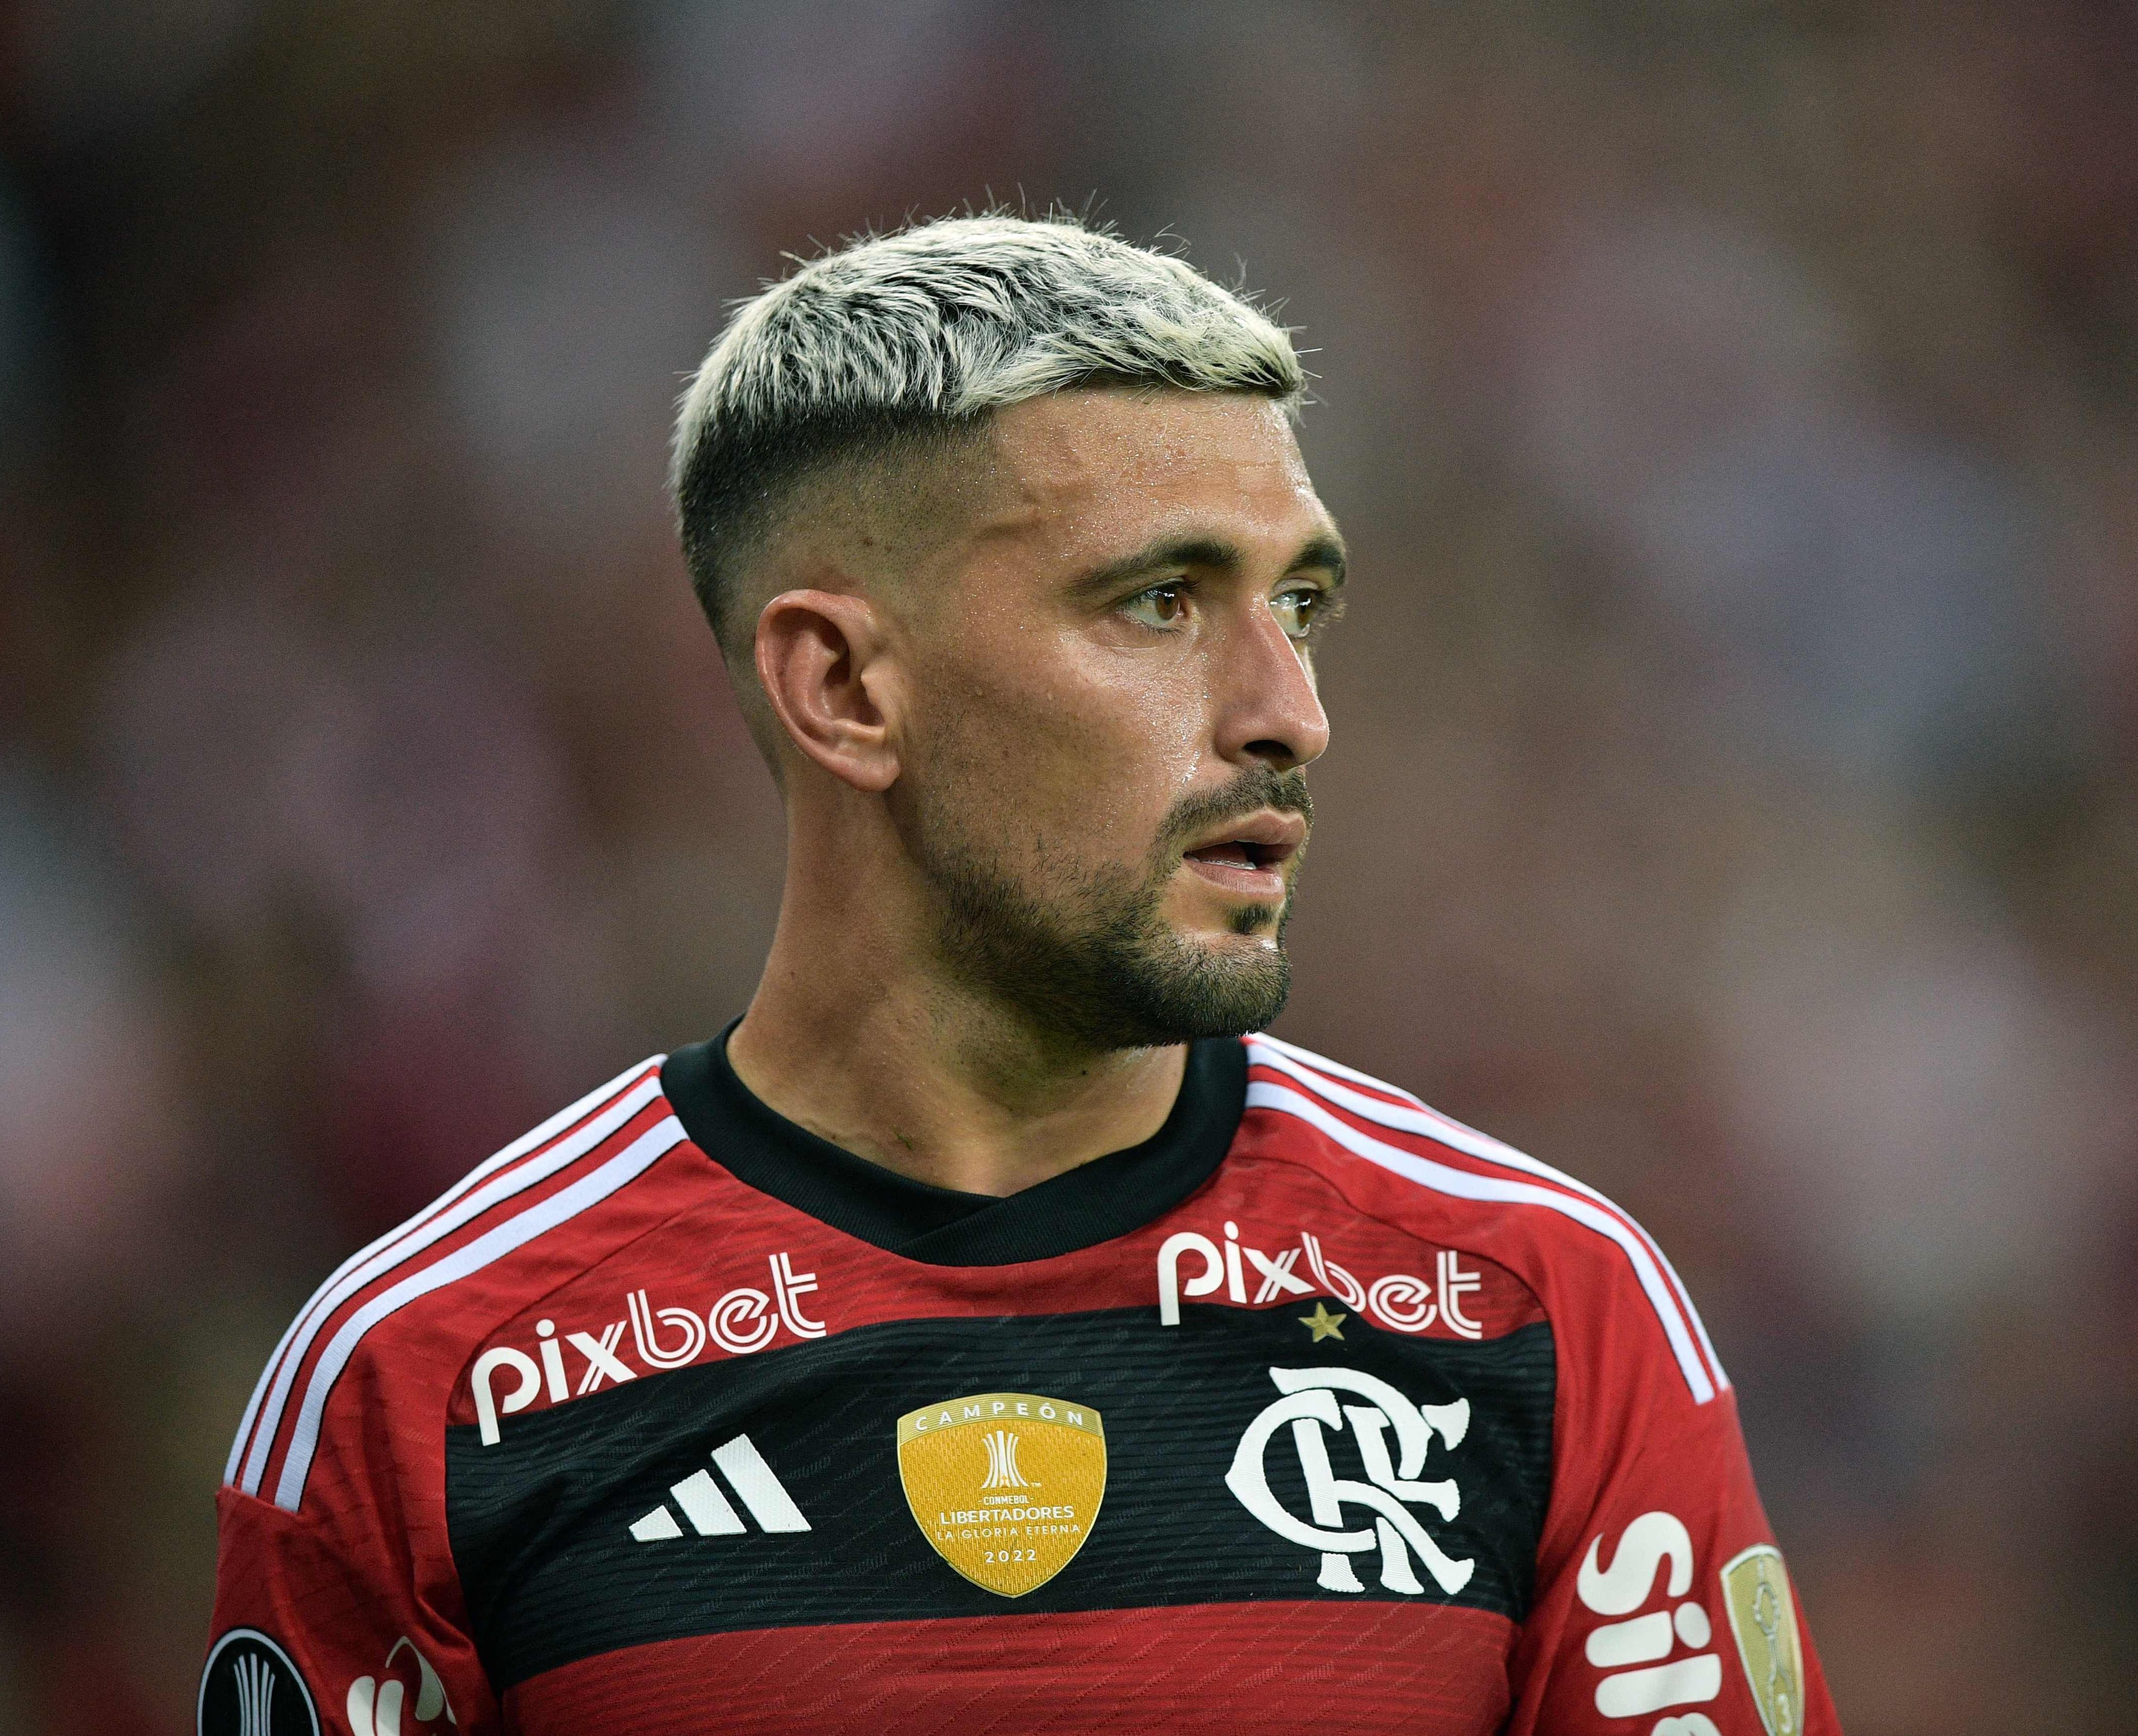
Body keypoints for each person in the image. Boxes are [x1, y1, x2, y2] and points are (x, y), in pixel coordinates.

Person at [202, 215, 1841, 1736]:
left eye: (1304, 606)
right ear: (842, 686)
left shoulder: (1542, 1310)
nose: (1289, 711)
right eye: (1157, 602)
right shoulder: (425, 1383)